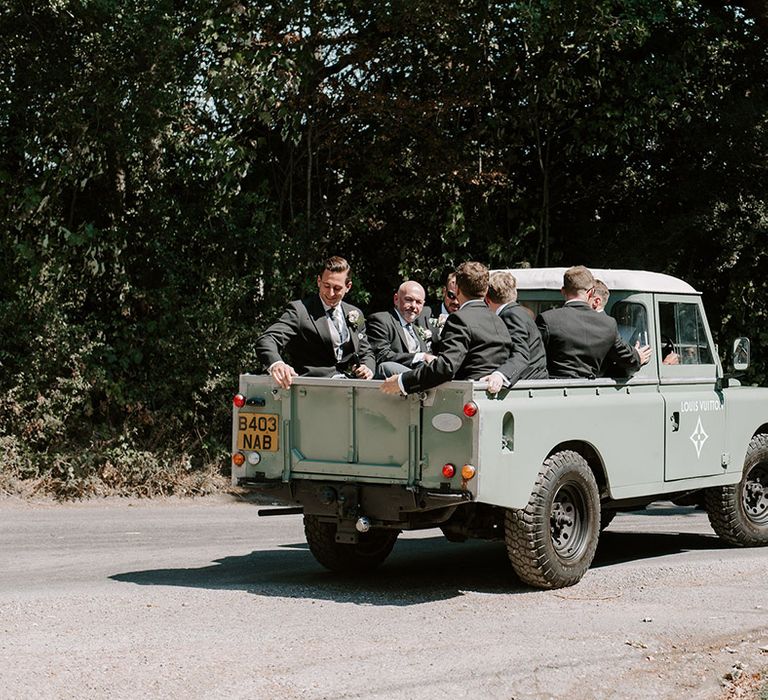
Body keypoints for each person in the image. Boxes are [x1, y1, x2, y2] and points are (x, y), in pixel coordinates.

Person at [380, 262, 512, 396]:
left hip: (462, 396)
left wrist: (402, 382)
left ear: (458, 290)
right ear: (485, 291)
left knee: (386, 368)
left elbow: (446, 367)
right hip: (495, 394)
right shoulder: (498, 320)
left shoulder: (459, 319)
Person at [255, 256, 375, 389]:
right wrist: (277, 364)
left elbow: (366, 352)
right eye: (326, 285)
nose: (330, 293)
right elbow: (267, 339)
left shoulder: (355, 313)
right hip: (311, 387)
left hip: (349, 387)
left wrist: (367, 368)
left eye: (337, 288)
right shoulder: (300, 311)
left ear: (348, 286)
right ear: (319, 281)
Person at [536, 265, 651, 379]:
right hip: (590, 391)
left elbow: (535, 358)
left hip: (553, 391)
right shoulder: (607, 324)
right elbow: (625, 356)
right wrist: (637, 356)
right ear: (591, 293)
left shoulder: (547, 319)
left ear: (563, 291)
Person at [479, 271, 548, 393]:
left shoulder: (510, 315)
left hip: (528, 385)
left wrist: (500, 375)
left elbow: (520, 353)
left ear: (487, 299)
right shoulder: (519, 312)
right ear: (515, 293)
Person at [367, 281, 436, 378]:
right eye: (409, 299)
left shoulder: (416, 328)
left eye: (418, 302)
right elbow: (382, 356)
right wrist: (419, 357)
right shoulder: (381, 320)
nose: (413, 306)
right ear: (396, 299)